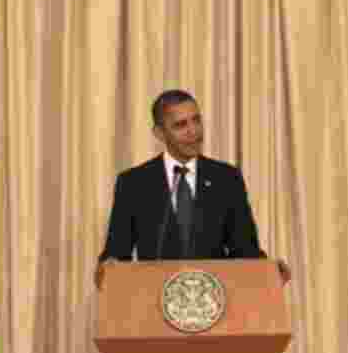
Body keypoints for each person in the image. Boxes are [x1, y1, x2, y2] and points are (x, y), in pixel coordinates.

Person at [96, 89, 287, 288]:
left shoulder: (226, 179)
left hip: (215, 301)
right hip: (154, 301)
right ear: (159, 133)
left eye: (196, 120)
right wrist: (108, 267)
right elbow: (116, 253)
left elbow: (245, 249)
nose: (193, 131)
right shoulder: (134, 183)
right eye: (180, 125)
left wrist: (268, 270)